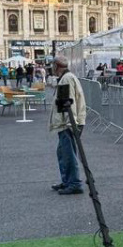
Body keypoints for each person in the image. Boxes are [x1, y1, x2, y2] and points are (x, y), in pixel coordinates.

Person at [49, 55, 86, 195]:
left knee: (68, 154)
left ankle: (74, 183)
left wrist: (71, 123)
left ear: (56, 66)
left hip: (67, 123)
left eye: (52, 66)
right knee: (63, 153)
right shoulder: (67, 77)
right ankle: (67, 181)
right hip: (67, 122)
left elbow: (69, 103)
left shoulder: (66, 79)